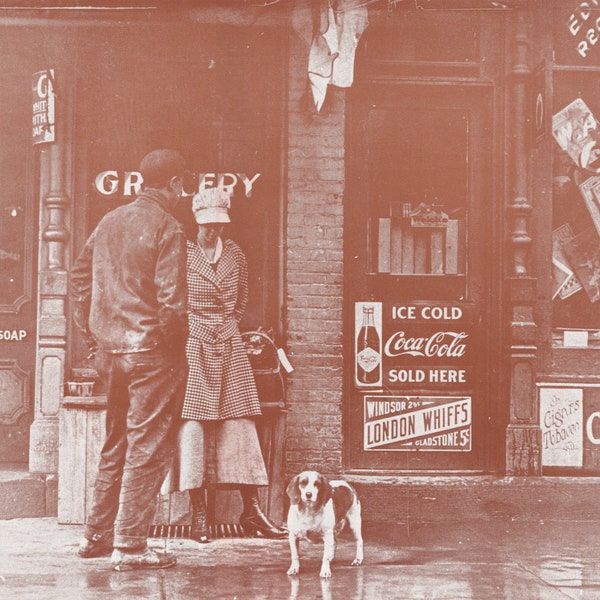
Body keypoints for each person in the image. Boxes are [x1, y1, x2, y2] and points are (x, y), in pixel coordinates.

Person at [70, 149, 189, 571]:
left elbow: (79, 278)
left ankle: (96, 537)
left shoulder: (108, 221)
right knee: (148, 446)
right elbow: (172, 305)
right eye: (182, 186)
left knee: (116, 441)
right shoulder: (169, 227)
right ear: (174, 184)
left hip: (111, 352)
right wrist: (175, 350)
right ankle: (131, 546)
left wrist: (93, 333)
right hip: (152, 353)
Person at [179, 186, 286, 543]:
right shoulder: (182, 253)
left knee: (239, 425)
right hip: (192, 344)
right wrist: (194, 329)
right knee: (193, 425)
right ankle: (198, 513)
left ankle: (251, 511)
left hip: (229, 344)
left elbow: (240, 302)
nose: (215, 231)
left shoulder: (236, 255)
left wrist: (226, 328)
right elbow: (171, 300)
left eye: (220, 225)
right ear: (196, 221)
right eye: (208, 224)